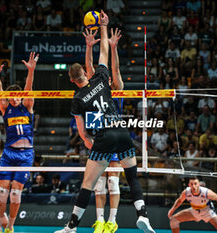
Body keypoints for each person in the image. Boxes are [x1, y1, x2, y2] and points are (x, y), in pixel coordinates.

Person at [54, 10, 155, 233]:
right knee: (131, 177)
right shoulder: (101, 78)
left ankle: (71, 227)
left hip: (103, 137)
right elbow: (104, 53)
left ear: (72, 80)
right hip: (121, 131)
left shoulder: (78, 99)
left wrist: (93, 147)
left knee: (88, 185)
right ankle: (143, 216)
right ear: (85, 74)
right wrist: (104, 26)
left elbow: (82, 134)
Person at [0, 51, 39, 233]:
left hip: (25, 155)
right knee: (2, 193)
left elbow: (29, 88)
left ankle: (10, 227)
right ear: (9, 98)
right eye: (12, 96)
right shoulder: (5, 108)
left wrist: (31, 71)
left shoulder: (27, 106)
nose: (15, 98)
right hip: (9, 153)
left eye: (18, 95)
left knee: (15, 194)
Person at [83, 28, 123, 233]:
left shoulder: (116, 88)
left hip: (115, 136)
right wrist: (89, 47)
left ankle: (112, 221)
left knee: (113, 183)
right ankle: (99, 221)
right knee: (99, 184)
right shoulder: (95, 88)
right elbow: (89, 67)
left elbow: (115, 70)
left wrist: (113, 48)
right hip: (99, 136)